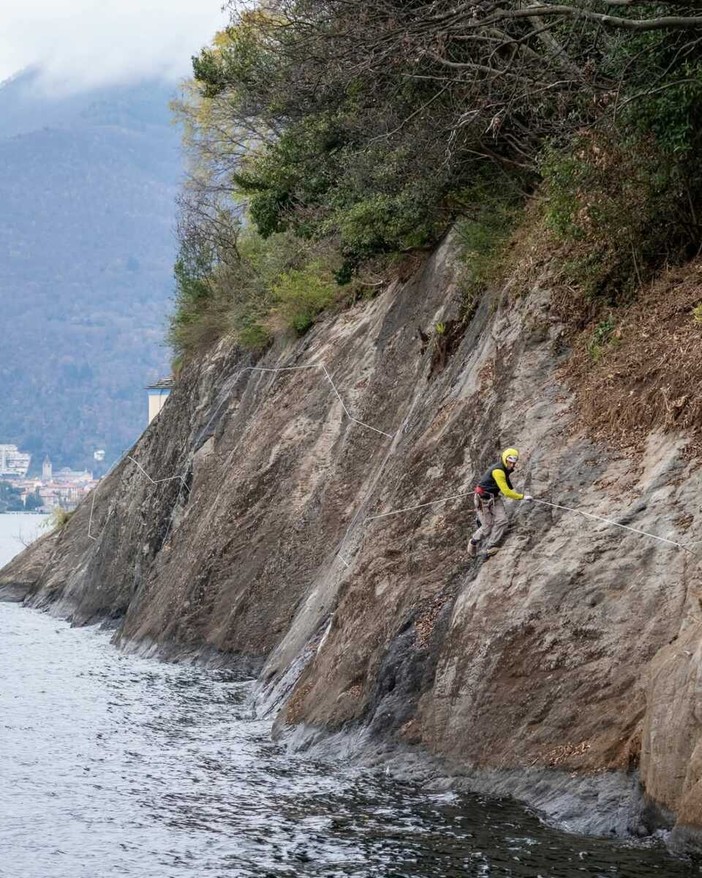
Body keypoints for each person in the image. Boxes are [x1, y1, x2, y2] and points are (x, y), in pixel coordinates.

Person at [468, 447, 532, 558]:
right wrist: (523, 497)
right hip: (482, 500)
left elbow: (508, 486)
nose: (512, 465)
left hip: (494, 498)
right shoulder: (498, 471)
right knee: (487, 528)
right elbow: (506, 492)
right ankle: (473, 542)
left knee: (502, 521)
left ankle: (491, 546)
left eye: (513, 463)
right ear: (505, 459)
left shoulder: (505, 469)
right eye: (510, 462)